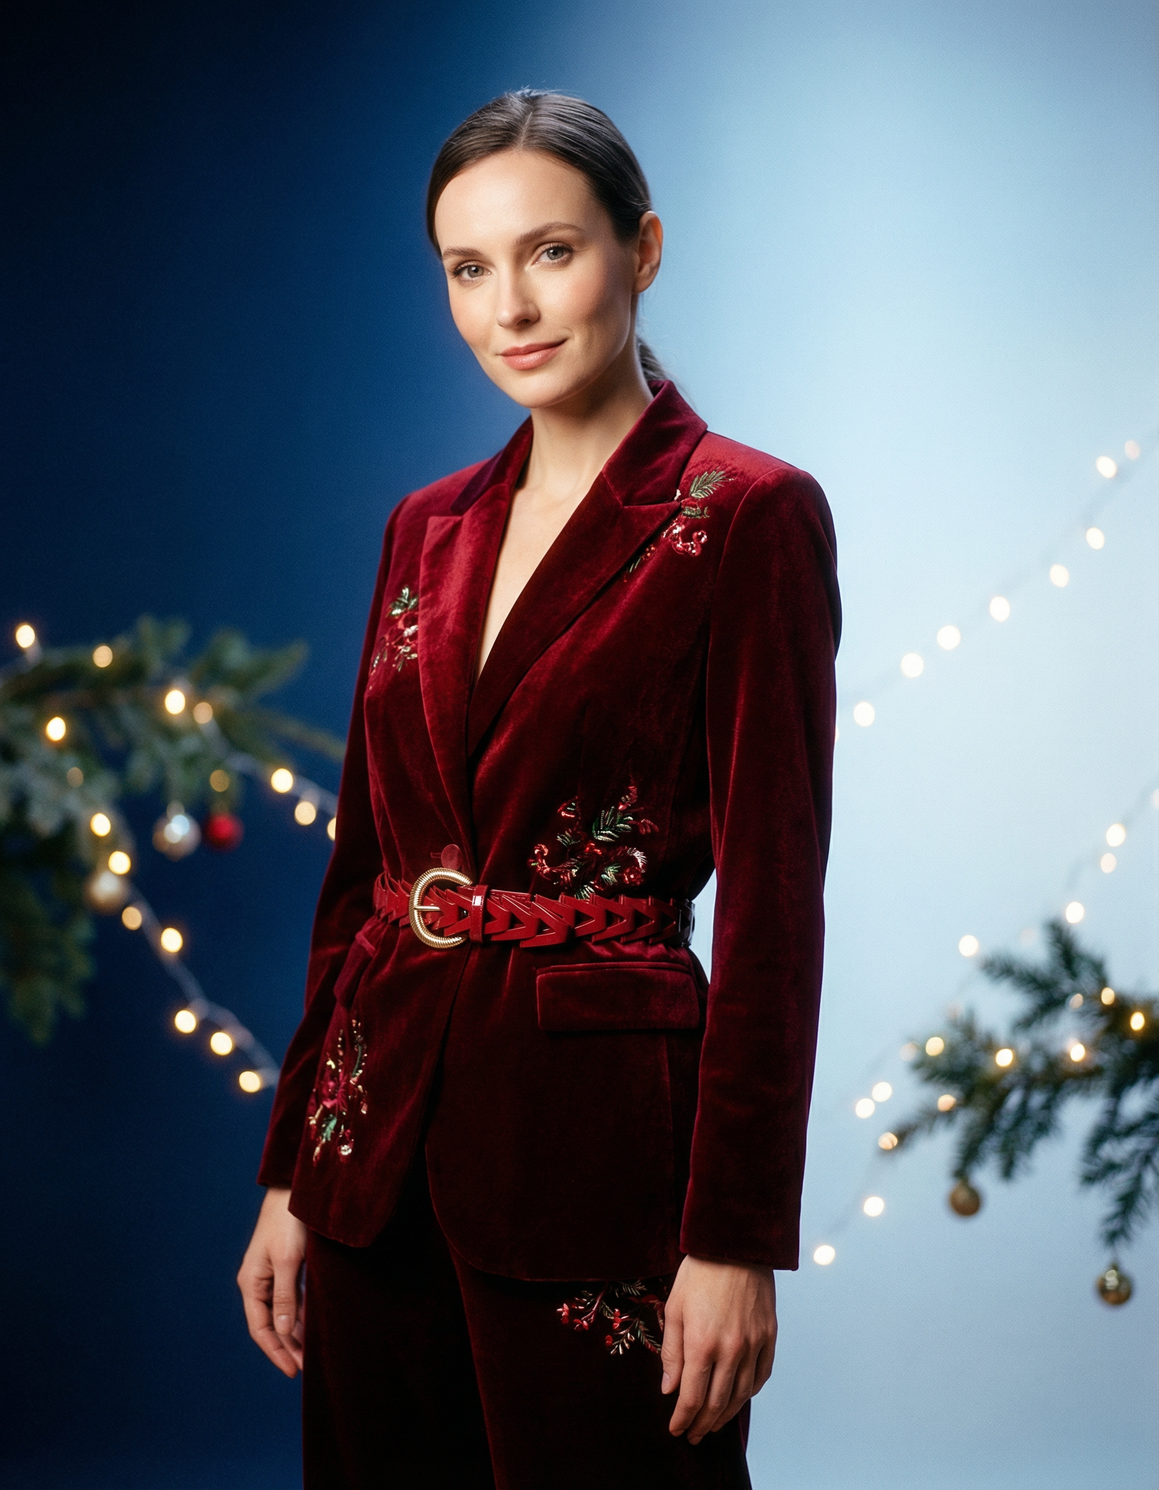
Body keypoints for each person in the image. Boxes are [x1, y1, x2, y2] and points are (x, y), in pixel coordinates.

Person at [237, 88, 840, 1490]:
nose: (510, 304)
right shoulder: (425, 525)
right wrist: (289, 1172)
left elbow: (773, 914)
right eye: (468, 266)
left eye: (552, 251)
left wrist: (736, 1234)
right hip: (369, 1151)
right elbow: (362, 874)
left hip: (600, 1169)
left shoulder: (745, 517)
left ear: (644, 249)